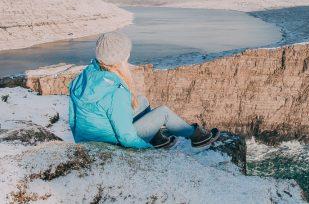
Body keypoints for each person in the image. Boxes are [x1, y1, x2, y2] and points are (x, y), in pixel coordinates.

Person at [69, 32, 219, 149]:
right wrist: (147, 150)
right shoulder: (115, 91)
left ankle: (156, 138)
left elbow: (73, 118)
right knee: (164, 113)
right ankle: (198, 137)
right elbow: (126, 137)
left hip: (89, 137)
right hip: (112, 143)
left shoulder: (86, 75)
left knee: (141, 101)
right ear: (120, 59)